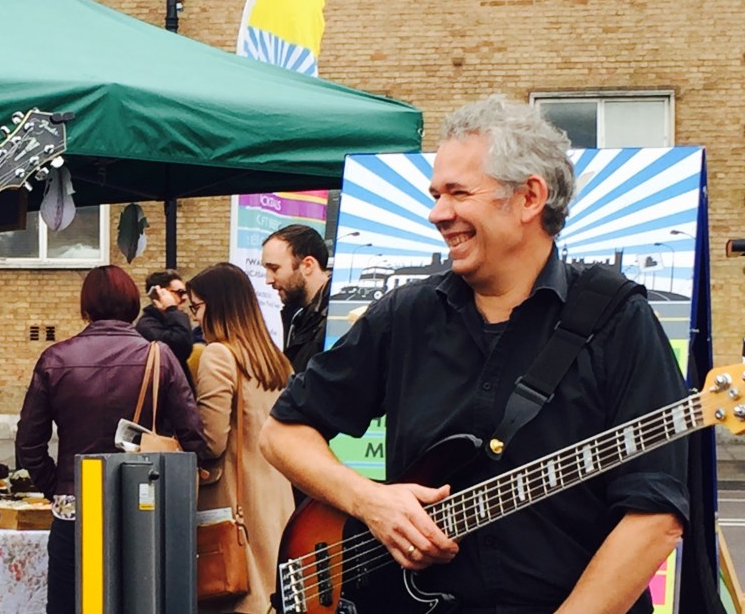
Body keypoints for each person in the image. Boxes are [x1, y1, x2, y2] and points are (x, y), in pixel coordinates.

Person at [260, 96, 693, 613]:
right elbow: (282, 433)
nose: (437, 214)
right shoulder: (406, 315)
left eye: (458, 193)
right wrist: (369, 501)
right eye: (436, 195)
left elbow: (655, 514)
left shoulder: (618, 319)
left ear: (529, 197)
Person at [16, 265, 206, 614]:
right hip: (143, 507)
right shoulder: (159, 357)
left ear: (85, 307)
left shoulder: (55, 359)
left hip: (75, 508)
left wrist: (57, 487)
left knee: (71, 604)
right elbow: (193, 438)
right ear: (133, 304)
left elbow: (28, 443)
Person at [186, 263, 295, 614]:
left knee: (239, 596)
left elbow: (212, 440)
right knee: (273, 594)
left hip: (234, 499)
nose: (195, 317)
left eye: (197, 306)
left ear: (218, 305)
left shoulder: (219, 354)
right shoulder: (276, 361)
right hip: (276, 495)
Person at [261, 224, 331, 373]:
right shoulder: (297, 316)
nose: (268, 280)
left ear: (307, 265)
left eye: (274, 269)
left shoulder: (336, 321)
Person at [136, 269, 196, 386]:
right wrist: (172, 308)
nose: (185, 297)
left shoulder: (171, 320)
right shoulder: (147, 325)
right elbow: (181, 346)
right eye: (179, 292)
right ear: (159, 294)